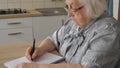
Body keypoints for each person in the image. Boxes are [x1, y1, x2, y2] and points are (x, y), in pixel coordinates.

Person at [15, 0, 120, 68]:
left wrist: (35, 67)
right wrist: (40, 49)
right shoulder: (73, 23)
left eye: (73, 8)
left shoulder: (109, 31)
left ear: (91, 6)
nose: (69, 14)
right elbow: (53, 39)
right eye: (67, 7)